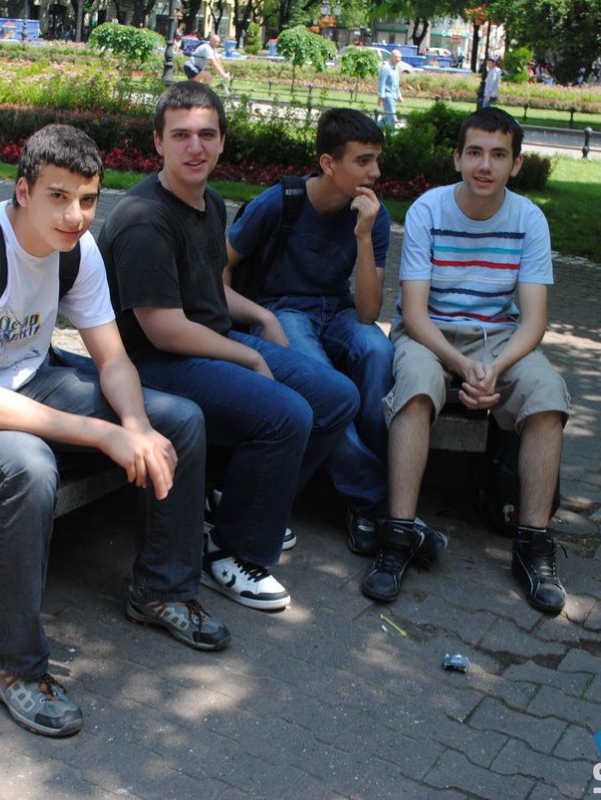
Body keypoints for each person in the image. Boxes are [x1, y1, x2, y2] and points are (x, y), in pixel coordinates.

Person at [0, 124, 230, 738]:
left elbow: (113, 360)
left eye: (88, 200)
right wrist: (105, 435)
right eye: (59, 197)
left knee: (179, 419)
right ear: (23, 191)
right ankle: (14, 666)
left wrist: (137, 426)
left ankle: (162, 590)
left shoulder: (78, 249)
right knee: (29, 466)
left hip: (28, 381)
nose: (75, 216)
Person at [98, 82, 357, 613]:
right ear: (158, 143)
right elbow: (164, 329)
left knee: (336, 397)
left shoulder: (211, 202)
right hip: (154, 362)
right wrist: (250, 354)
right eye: (181, 135)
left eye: (207, 135)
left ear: (221, 142)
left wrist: (262, 316)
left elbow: (211, 289)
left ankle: (239, 507)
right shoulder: (144, 218)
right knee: (287, 413)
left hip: (211, 341)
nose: (195, 147)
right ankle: (233, 553)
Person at [373, 107, 570, 615]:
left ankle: (533, 546)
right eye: (475, 153)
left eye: (498, 155)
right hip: (430, 334)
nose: (485, 165)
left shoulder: (529, 219)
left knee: (547, 393)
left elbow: (534, 322)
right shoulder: (428, 210)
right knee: (416, 386)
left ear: (516, 164)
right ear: (457, 158)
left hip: (498, 339)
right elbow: (414, 313)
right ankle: (398, 536)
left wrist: (495, 369)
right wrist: (462, 368)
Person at [225, 108, 392, 556]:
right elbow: (218, 268)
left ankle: (367, 495)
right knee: (325, 387)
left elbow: (368, 313)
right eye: (363, 161)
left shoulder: (373, 216)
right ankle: (375, 503)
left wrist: (363, 236)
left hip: (337, 310)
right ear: (328, 163)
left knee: (377, 351)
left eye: (377, 160)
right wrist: (258, 318)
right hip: (282, 310)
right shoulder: (281, 201)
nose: (375, 173)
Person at [376, 49, 403, 127]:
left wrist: (399, 95)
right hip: (387, 96)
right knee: (392, 117)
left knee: (388, 118)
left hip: (394, 96)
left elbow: (396, 84)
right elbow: (381, 83)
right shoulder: (385, 68)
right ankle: (392, 133)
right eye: (396, 57)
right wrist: (380, 97)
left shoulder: (395, 69)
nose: (398, 59)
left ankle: (374, 128)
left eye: (400, 57)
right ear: (391, 57)